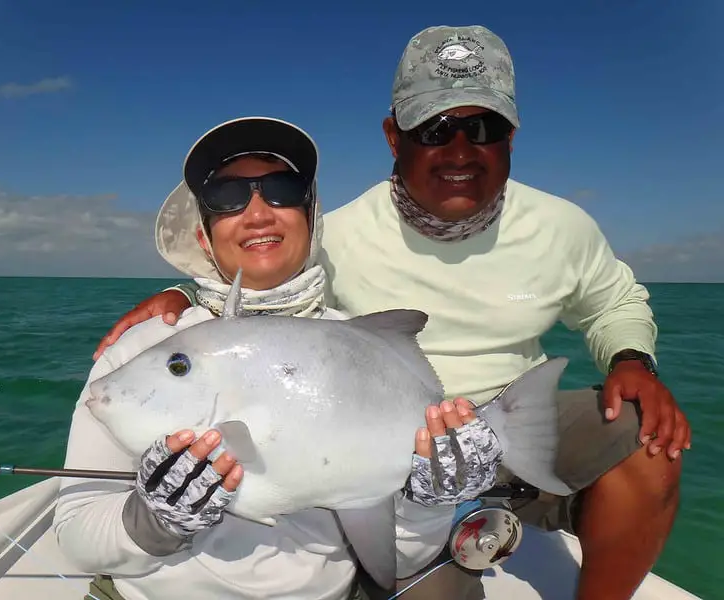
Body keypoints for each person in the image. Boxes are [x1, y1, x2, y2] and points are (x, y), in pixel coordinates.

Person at [95, 26, 692, 600]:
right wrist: (182, 303)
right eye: (433, 129)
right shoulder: (337, 237)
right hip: (400, 458)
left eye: (482, 127)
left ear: (511, 135)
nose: (459, 150)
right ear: (393, 136)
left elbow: (614, 300)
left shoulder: (563, 227)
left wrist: (632, 358)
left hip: (516, 419)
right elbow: (261, 305)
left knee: (650, 436)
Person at [54, 116, 504, 600]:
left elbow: (405, 555)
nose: (257, 213)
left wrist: (430, 504)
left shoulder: (360, 347)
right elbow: (76, 538)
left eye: (282, 189)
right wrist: (154, 520)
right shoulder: (139, 349)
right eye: (227, 196)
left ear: (312, 217)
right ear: (204, 236)